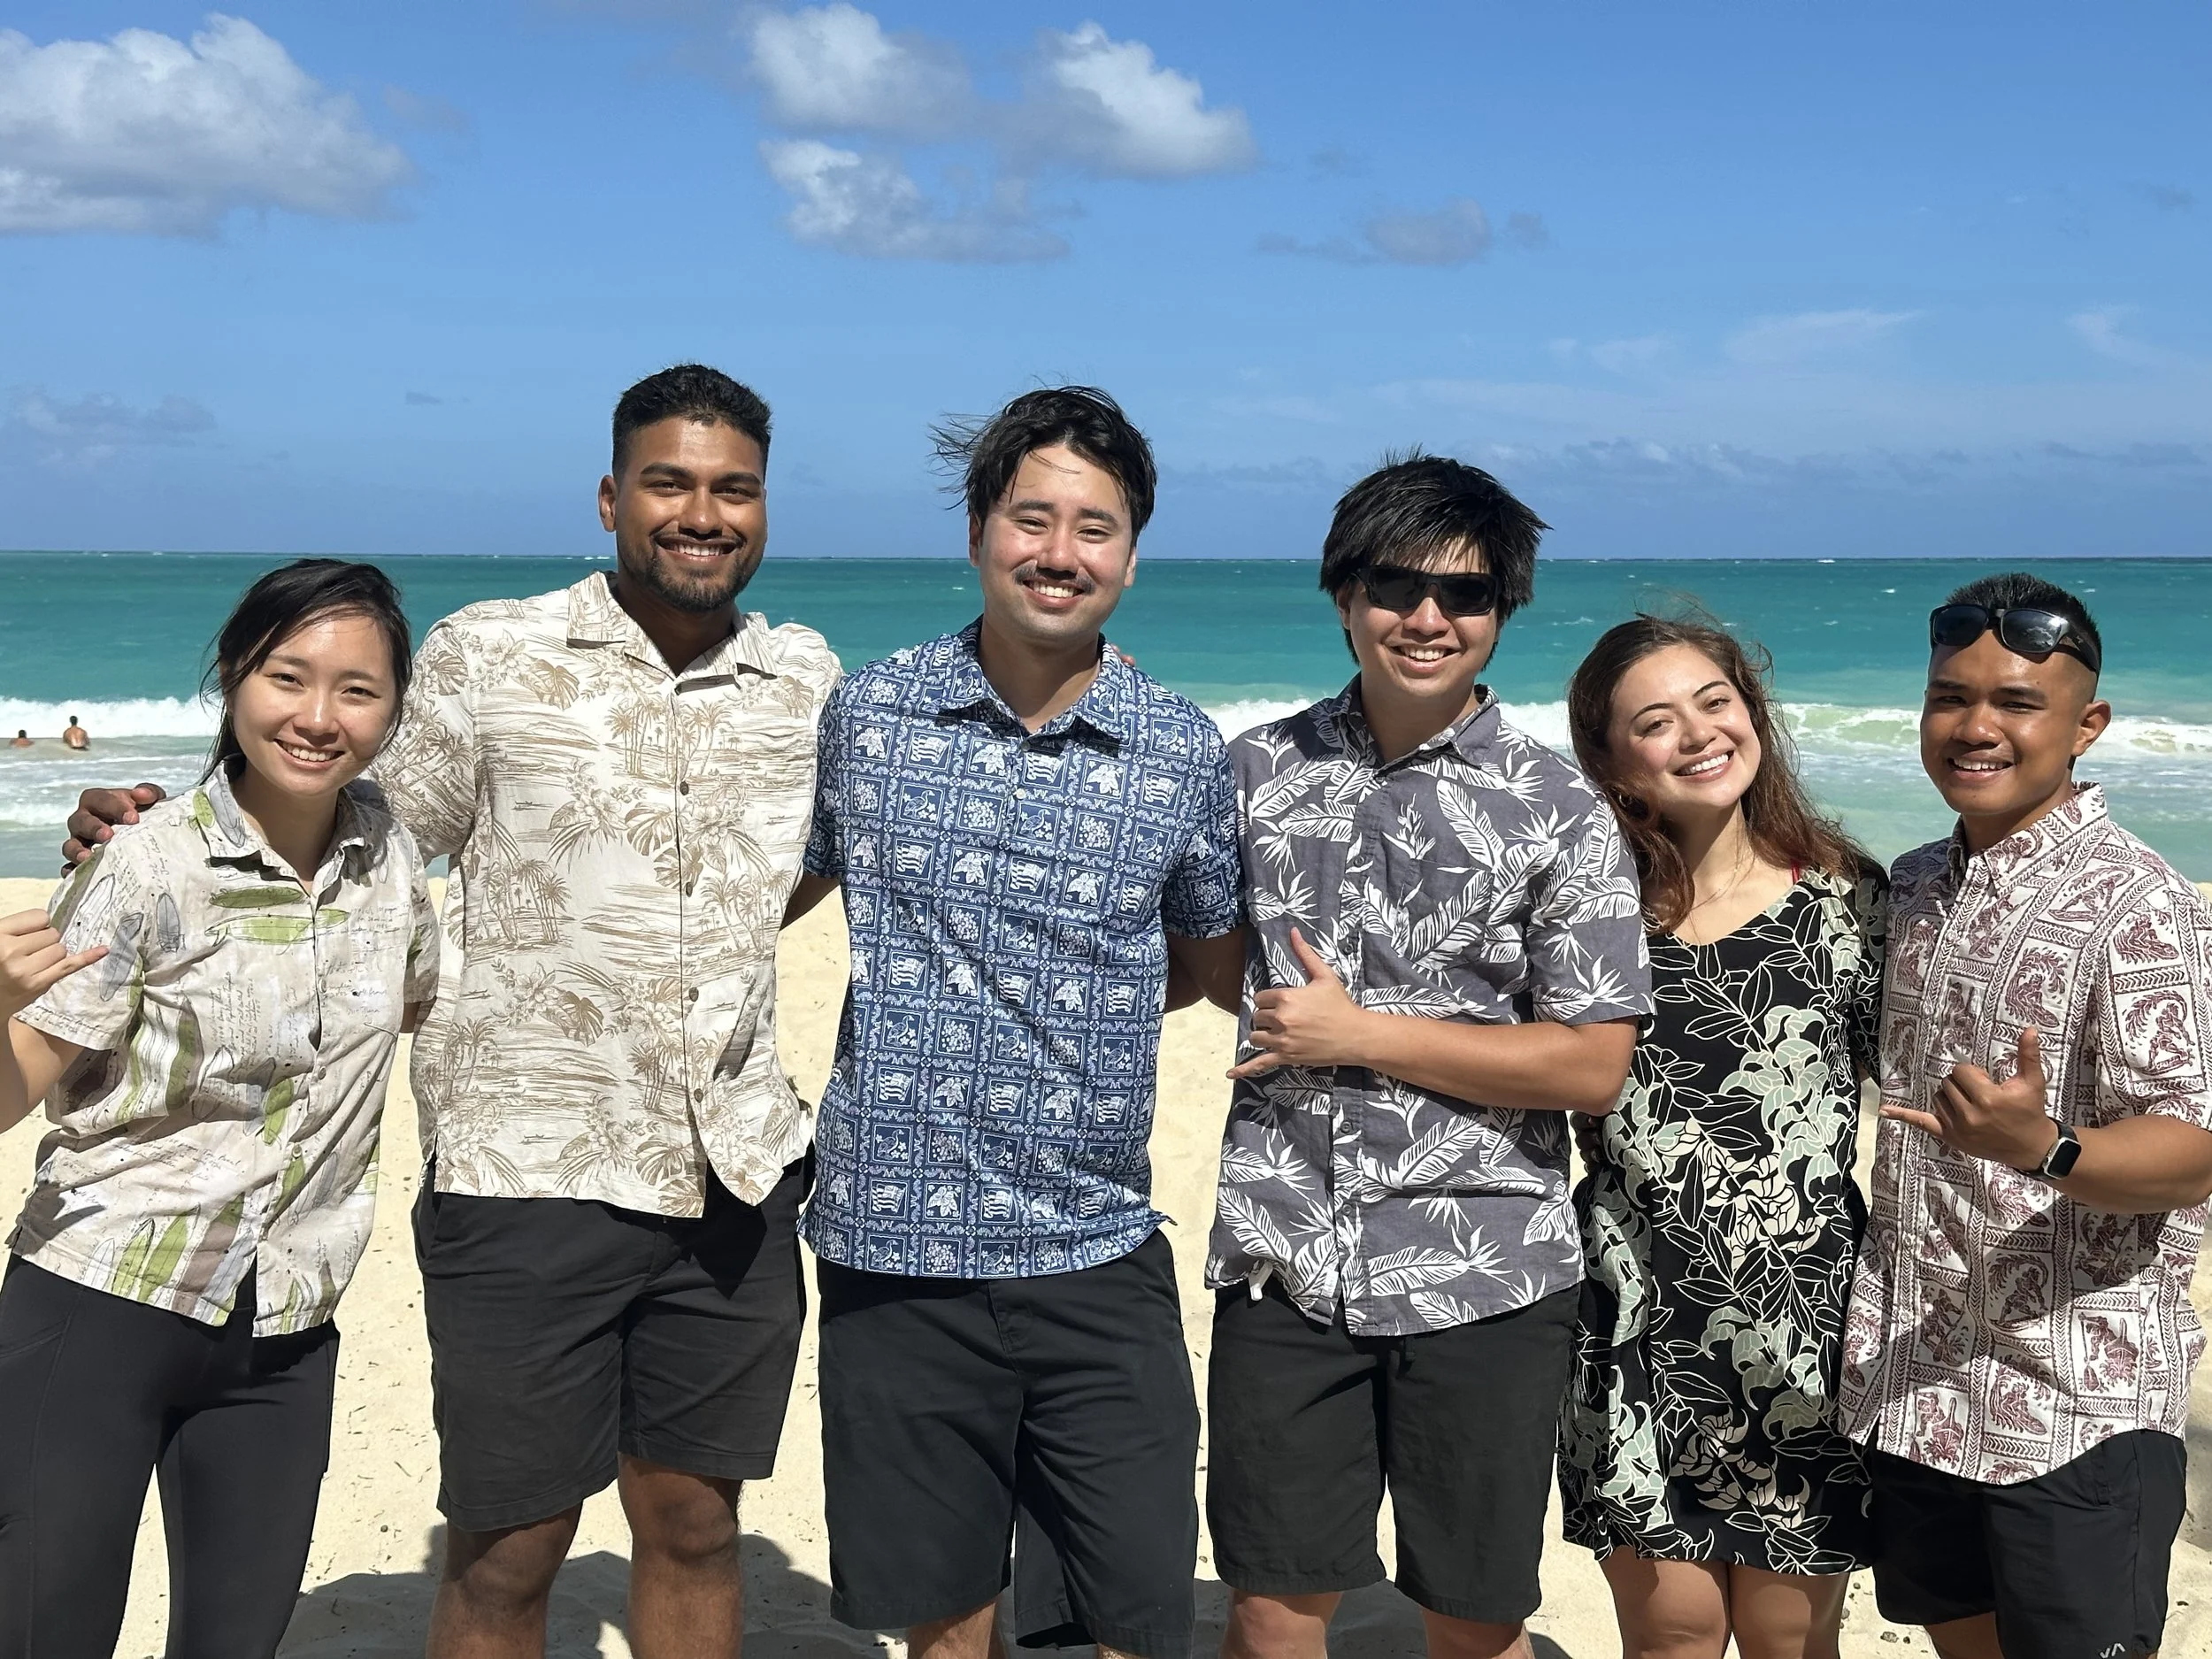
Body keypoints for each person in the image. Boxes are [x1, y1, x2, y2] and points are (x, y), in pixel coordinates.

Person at [64, 365, 840, 1659]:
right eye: (668, 483)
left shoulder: (803, 675)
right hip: (524, 1169)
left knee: (699, 1524)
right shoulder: (492, 652)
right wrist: (156, 826)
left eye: (733, 489)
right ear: (611, 498)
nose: (702, 513)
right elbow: (354, 827)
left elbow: (809, 859)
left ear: (763, 506)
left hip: (738, 1167)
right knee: (508, 1548)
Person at [781, 387, 1244, 1659]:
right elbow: (757, 891)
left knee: (1134, 1613)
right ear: (978, 532)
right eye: (1031, 518)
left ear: (1131, 555)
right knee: (945, 1623)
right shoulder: (868, 715)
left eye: (1095, 527)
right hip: (893, 1243)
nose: (1060, 552)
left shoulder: (1180, 749)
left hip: (1096, 1241)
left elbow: (1207, 964)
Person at [1189, 455, 1652, 1659]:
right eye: (1397, 586)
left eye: (1468, 594)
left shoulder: (1559, 807)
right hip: (1287, 1250)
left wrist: (1362, 1036)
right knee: (1269, 1609)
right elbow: (1202, 961)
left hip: (1486, 1266)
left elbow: (1591, 1064)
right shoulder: (1253, 773)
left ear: (1502, 613)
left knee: (1472, 1616)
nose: (1429, 617)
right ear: (1346, 595)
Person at [0, 560, 437, 1659]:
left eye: (358, 690)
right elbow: (14, 1090)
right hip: (101, 1301)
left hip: (286, 1327)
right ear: (235, 676)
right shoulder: (144, 864)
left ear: (394, 709)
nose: (318, 716)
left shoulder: (391, 859)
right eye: (287, 676)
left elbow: (425, 1009)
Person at [1840, 572, 2212, 1659]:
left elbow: (2193, 1150)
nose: (1974, 727)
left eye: (2015, 702)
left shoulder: (2143, 906)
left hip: (2074, 1401)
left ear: (2085, 727)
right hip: (1917, 1379)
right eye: (1949, 697)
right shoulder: (1913, 885)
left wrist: (2042, 1147)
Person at [1557, 614, 1886, 1659]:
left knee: (1791, 1638)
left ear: (1753, 712)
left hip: (1806, 1329)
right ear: (1611, 761)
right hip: (1636, 1322)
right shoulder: (1586, 914)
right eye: (1655, 721)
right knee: (1673, 1634)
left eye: (1715, 702)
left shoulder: (1848, 900)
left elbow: (1923, 1094)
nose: (1698, 733)